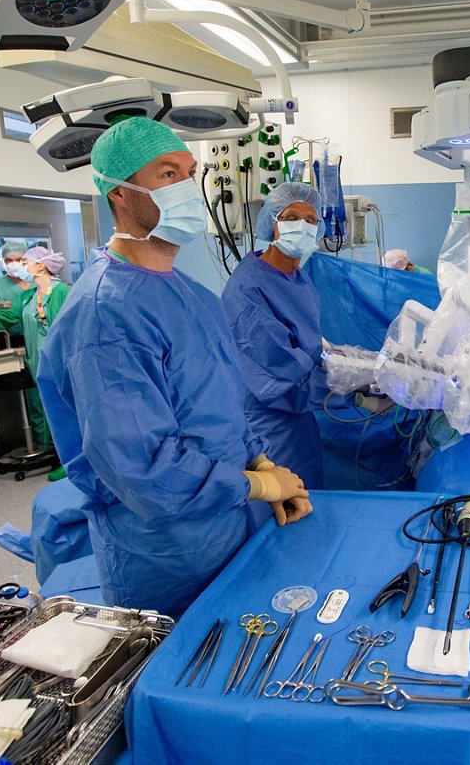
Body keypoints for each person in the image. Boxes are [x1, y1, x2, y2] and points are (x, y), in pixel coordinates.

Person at [37, 117, 312, 618]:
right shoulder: (106, 315)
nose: (187, 188)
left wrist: (259, 463)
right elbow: (143, 470)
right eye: (167, 174)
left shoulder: (193, 295)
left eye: (190, 172)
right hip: (167, 553)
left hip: (229, 525)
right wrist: (256, 487)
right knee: (180, 673)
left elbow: (221, 405)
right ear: (119, 193)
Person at [221, 182, 329, 487]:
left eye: (311, 220)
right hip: (268, 426)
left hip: (299, 420)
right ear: (273, 222)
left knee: (307, 495)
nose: (302, 226)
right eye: (292, 217)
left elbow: (307, 345)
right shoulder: (248, 288)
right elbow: (277, 372)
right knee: (278, 510)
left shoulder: (299, 279)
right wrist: (345, 387)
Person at [0, 241, 47, 438]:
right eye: (9, 260)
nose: (15, 264)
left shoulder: (50, 288)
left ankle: (61, 451)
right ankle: (44, 443)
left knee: (56, 400)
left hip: (46, 347)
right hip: (21, 348)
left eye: (20, 260)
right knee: (37, 401)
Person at [19, 246, 70, 466]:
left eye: (25, 261)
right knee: (42, 405)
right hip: (37, 362)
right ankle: (50, 450)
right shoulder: (28, 296)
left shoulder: (62, 292)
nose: (22, 266)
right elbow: (9, 317)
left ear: (41, 265)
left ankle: (69, 459)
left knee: (65, 407)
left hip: (60, 362)